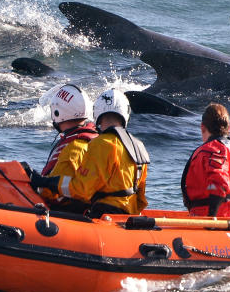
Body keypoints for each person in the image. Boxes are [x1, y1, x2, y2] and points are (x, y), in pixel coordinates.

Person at [30, 88, 149, 218]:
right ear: (126, 113)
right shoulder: (139, 146)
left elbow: (82, 190)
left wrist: (46, 182)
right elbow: (141, 199)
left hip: (104, 214)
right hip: (128, 217)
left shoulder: (101, 144)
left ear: (96, 112)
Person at [180, 103, 230, 218]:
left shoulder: (211, 150)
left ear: (202, 127)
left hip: (215, 218)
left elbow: (219, 183)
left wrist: (212, 217)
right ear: (228, 128)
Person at [34, 83, 98, 213]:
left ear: (57, 112)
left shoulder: (73, 147)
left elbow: (51, 191)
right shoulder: (95, 138)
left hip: (68, 212)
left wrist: (34, 183)